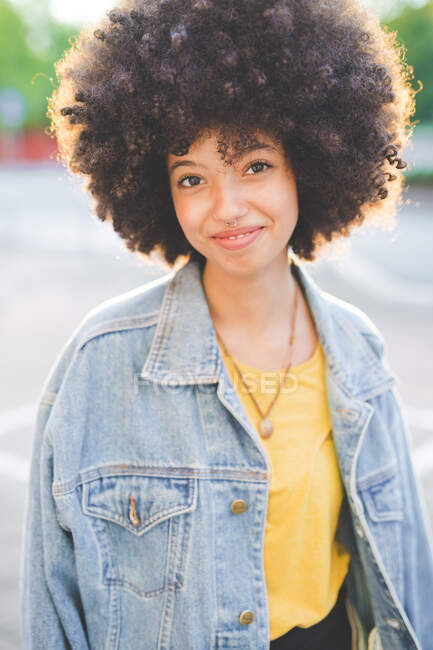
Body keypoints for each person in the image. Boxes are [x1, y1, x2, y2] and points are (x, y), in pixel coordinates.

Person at [19, 0, 433, 648]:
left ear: (310, 163)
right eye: (192, 178)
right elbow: (53, 598)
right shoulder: (101, 362)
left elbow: (406, 581)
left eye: (255, 165)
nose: (226, 207)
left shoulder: (355, 353)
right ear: (159, 190)